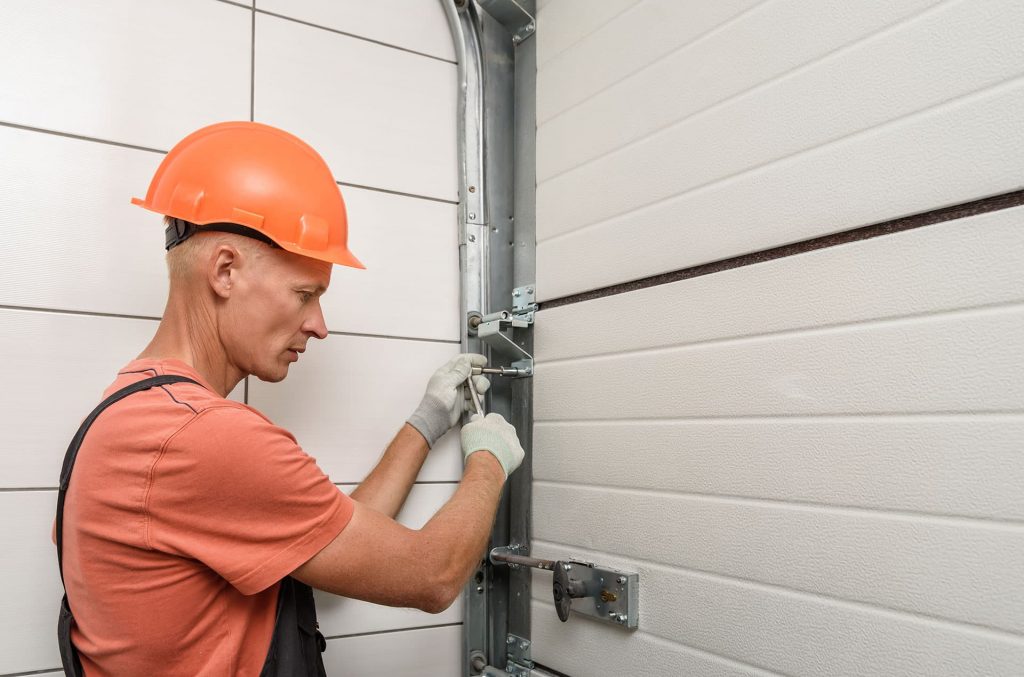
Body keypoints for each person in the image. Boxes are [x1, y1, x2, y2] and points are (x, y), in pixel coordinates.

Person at [56, 121, 525, 676]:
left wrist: (424, 424)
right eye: (305, 295)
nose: (319, 326)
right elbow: (431, 576)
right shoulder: (206, 438)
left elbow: (331, 531)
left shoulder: (136, 410)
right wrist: (488, 460)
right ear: (225, 270)